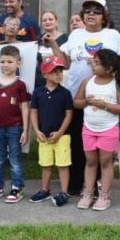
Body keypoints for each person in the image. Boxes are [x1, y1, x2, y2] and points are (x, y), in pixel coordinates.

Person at [46, 0, 120, 196]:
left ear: (104, 16)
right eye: (87, 11)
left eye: (96, 11)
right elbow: (66, 62)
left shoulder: (113, 35)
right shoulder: (75, 35)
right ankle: (76, 182)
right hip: (77, 98)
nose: (91, 14)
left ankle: (98, 185)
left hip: (104, 100)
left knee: (101, 145)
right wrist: (54, 45)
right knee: (78, 142)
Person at [73, 49, 120, 211]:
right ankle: (88, 193)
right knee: (90, 162)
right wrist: (85, 102)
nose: (93, 65)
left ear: (109, 68)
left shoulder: (118, 84)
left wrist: (105, 105)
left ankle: (104, 195)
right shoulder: (87, 82)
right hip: (88, 128)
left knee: (106, 162)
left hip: (109, 129)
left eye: (97, 63)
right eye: (94, 62)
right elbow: (76, 102)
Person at [0, 45, 31, 203]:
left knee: (15, 158)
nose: (5, 65)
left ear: (18, 63)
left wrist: (25, 129)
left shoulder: (20, 85)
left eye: (10, 61)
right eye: (2, 61)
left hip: (14, 127)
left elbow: (25, 107)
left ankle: (17, 187)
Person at [29, 56, 73, 207]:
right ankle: (45, 190)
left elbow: (69, 114)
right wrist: (36, 130)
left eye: (60, 71)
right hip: (44, 136)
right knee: (46, 165)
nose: (59, 74)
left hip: (62, 136)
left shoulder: (65, 93)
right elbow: (33, 112)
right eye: (54, 72)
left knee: (63, 165)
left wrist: (60, 132)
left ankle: (64, 192)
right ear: (45, 75)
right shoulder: (38, 92)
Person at [36, 10, 68, 88]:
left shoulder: (66, 38)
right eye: (44, 20)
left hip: (59, 79)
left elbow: (66, 63)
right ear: (41, 24)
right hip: (41, 80)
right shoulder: (38, 39)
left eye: (50, 19)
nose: (47, 22)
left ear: (56, 22)